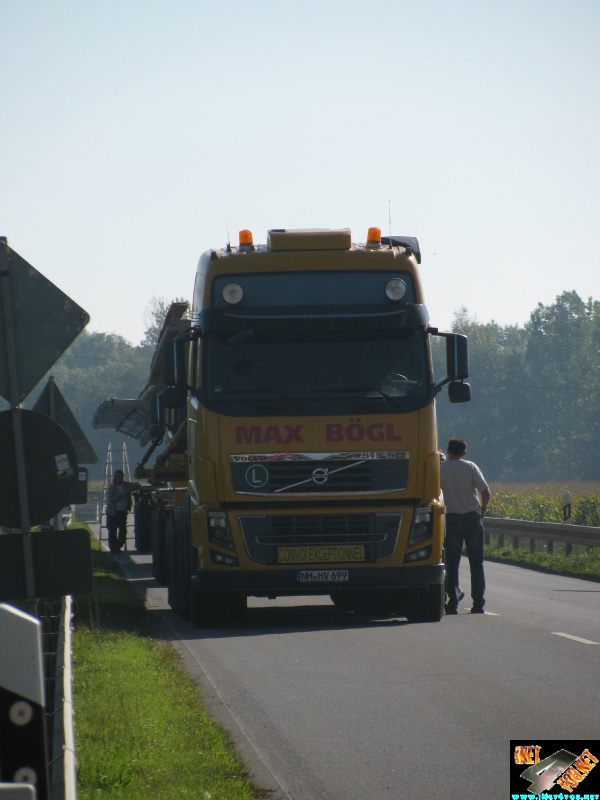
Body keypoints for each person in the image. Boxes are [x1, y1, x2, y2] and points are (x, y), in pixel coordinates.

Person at [440, 437, 490, 614]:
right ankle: (478, 603)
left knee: (452, 564)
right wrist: (482, 511)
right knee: (477, 563)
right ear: (464, 452)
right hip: (471, 518)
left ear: (448, 450)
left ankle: (452, 602)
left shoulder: (440, 469)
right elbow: (485, 492)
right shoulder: (470, 466)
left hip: (451, 519)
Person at [105, 470, 141, 553]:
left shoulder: (126, 485)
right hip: (113, 512)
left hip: (123, 511)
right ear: (115, 477)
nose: (119, 478)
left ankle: (119, 544)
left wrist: (130, 489)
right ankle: (113, 547)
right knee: (112, 530)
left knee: (123, 529)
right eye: (118, 476)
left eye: (121, 476)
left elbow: (137, 485)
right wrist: (121, 495)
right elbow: (111, 500)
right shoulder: (112, 487)